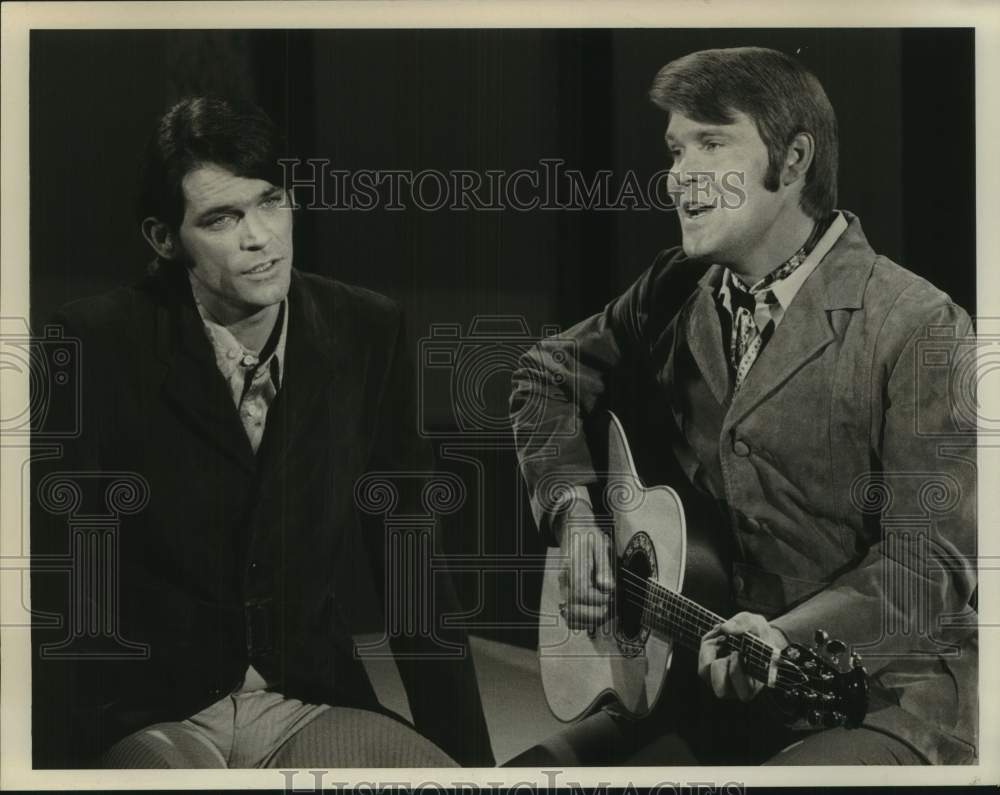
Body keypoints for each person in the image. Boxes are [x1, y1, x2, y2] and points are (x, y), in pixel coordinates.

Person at [510, 47, 977, 765]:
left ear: (793, 160)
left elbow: (929, 564)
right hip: (700, 688)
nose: (679, 176)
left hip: (881, 698)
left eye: (711, 144)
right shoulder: (673, 289)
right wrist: (574, 514)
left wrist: (784, 636)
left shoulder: (919, 324)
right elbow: (544, 377)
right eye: (675, 151)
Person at [31, 96, 494, 768]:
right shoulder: (97, 343)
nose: (260, 238)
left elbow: (412, 572)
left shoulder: (366, 331)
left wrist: (472, 769)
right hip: (148, 707)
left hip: (302, 698)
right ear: (164, 238)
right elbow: (62, 588)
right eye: (221, 218)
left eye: (271, 202)